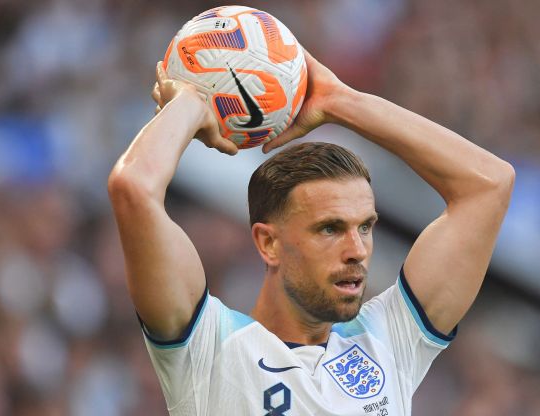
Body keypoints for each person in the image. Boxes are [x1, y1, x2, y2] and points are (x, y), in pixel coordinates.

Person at [107, 49, 515, 415]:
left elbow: (489, 185)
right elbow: (134, 189)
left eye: (366, 227)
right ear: (268, 243)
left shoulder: (390, 341)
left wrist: (342, 102)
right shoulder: (209, 351)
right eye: (330, 229)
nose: (357, 250)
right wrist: (191, 102)